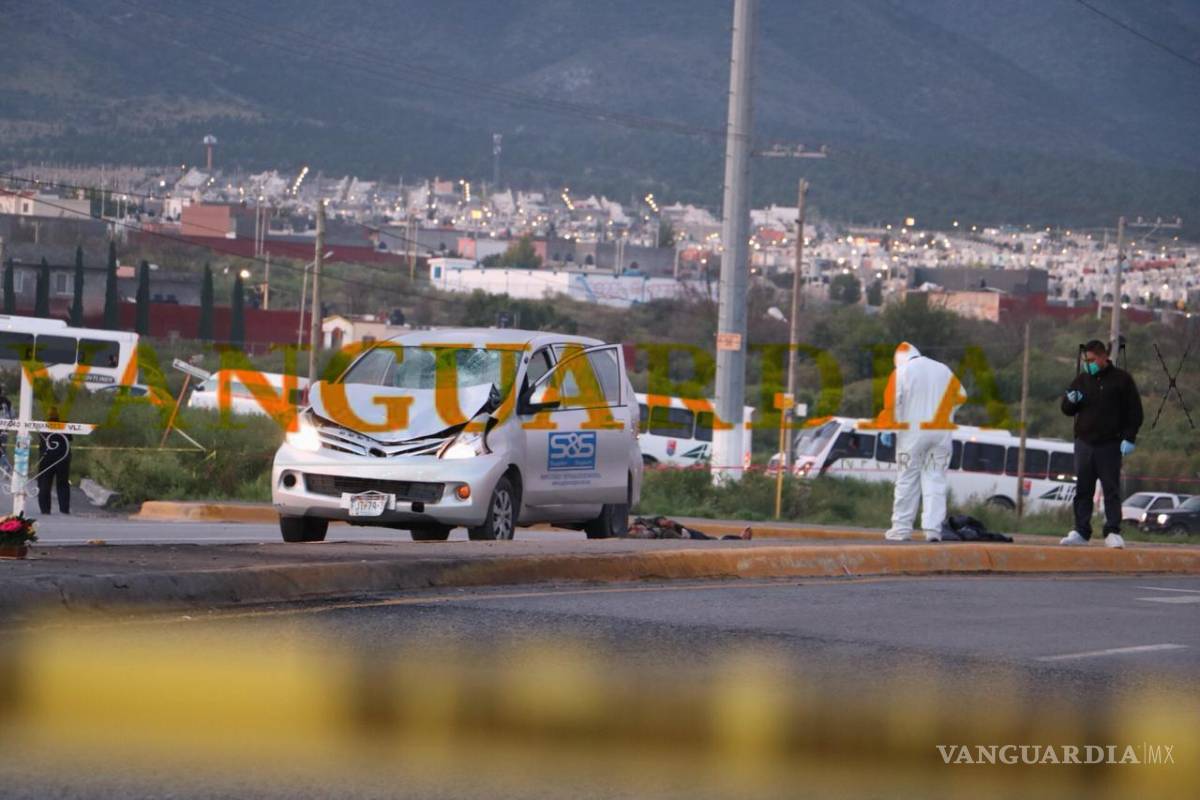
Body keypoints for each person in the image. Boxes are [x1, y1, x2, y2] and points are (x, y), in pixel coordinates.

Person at [876, 342, 966, 542]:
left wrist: (886, 429)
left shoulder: (901, 372)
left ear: (899, 359)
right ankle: (933, 530)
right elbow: (961, 396)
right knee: (935, 478)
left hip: (913, 435)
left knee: (907, 479)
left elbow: (891, 405)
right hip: (941, 434)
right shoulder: (943, 369)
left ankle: (901, 529)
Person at [1060, 339, 1143, 548]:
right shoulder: (1082, 380)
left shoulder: (1122, 380)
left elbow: (1135, 412)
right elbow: (1067, 409)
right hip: (1084, 444)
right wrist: (1071, 401)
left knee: (1111, 490)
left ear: (1103, 357)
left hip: (1110, 445)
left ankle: (1112, 531)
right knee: (1083, 489)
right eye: (1085, 360)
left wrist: (1129, 437)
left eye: (1091, 359)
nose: (1088, 363)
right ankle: (1081, 531)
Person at [37, 408, 72, 515]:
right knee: (62, 483)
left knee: (44, 483)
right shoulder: (65, 425)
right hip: (62, 457)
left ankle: (45, 510)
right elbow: (69, 438)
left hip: (46, 457)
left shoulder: (43, 426)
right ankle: (64, 509)